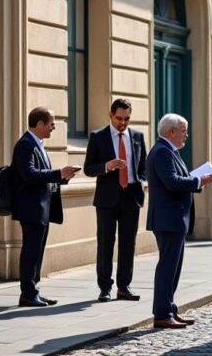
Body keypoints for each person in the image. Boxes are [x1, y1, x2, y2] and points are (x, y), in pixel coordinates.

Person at [146, 113, 212, 329]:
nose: (186, 135)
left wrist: (200, 179)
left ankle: (169, 309)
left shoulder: (170, 151)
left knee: (174, 268)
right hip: (168, 217)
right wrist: (201, 179)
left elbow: (180, 178)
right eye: (184, 131)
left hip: (174, 217)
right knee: (168, 268)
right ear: (171, 132)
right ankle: (162, 314)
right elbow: (172, 182)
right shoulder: (162, 152)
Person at [12, 107, 79, 307]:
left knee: (37, 251)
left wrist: (63, 177)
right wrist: (59, 173)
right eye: (51, 123)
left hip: (42, 206)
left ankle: (34, 291)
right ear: (39, 124)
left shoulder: (38, 144)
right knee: (31, 251)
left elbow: (43, 175)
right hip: (31, 207)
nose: (54, 127)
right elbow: (29, 174)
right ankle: (28, 294)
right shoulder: (25, 144)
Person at [84, 98, 147, 303]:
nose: (123, 123)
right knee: (105, 244)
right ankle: (105, 288)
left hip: (131, 197)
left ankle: (124, 287)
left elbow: (143, 167)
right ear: (110, 115)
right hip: (106, 199)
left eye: (127, 119)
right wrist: (107, 166)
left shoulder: (137, 136)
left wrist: (143, 182)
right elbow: (88, 168)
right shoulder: (98, 137)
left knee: (128, 244)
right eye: (119, 118)